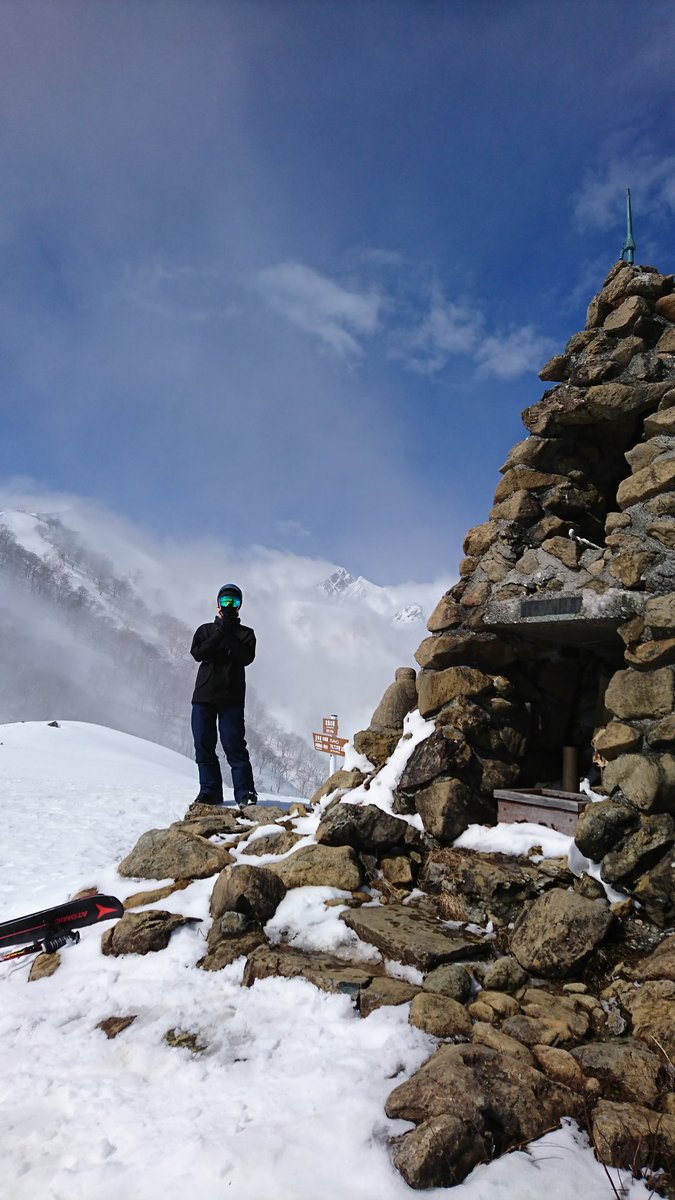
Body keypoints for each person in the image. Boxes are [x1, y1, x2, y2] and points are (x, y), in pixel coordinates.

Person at [189, 583, 258, 809]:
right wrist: (221, 630)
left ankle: (245, 792)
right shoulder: (205, 630)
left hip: (232, 699)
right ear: (218, 603)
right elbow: (199, 653)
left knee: (234, 745)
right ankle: (209, 792)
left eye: (234, 602)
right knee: (203, 744)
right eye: (226, 601)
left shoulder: (246, 634)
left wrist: (229, 631)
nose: (229, 606)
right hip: (203, 698)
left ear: (240, 606)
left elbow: (245, 657)